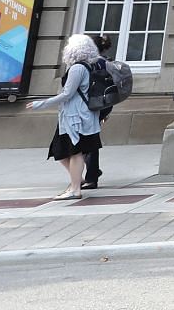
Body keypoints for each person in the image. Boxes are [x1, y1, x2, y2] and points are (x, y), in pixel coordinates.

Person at [28, 33, 102, 200]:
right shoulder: (86, 67)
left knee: (75, 152)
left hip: (75, 118)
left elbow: (67, 94)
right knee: (61, 151)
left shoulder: (77, 68)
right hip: (76, 116)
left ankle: (75, 188)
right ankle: (77, 180)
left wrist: (41, 104)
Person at [83, 33, 113, 189]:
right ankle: (92, 173)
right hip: (104, 105)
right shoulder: (107, 63)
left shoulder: (90, 64)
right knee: (90, 138)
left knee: (87, 140)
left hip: (89, 106)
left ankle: (91, 175)